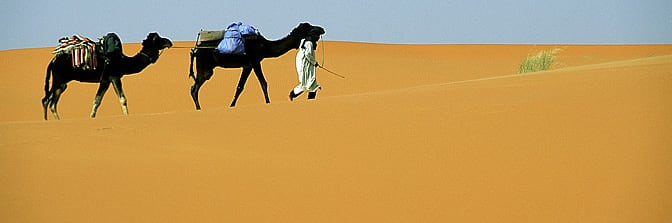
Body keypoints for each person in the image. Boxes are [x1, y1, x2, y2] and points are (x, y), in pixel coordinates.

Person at [289, 31, 322, 101]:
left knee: (312, 83)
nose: (318, 38)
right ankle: (292, 95)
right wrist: (314, 62)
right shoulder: (309, 43)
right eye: (317, 36)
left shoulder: (306, 41)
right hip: (304, 64)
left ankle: (311, 101)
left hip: (306, 63)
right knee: (305, 83)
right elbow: (308, 54)